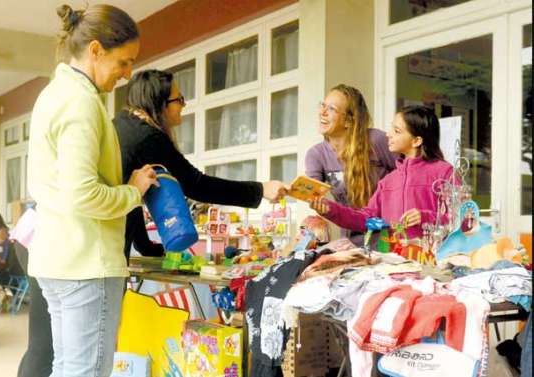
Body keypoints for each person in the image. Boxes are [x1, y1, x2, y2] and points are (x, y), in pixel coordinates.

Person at [26, 4, 157, 377]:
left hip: (56, 259)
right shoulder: (81, 103)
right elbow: (83, 193)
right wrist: (133, 190)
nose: (128, 73)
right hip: (86, 263)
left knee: (68, 368)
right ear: (96, 50)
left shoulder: (52, 94)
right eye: (124, 62)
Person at [113, 69, 289, 259]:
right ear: (160, 104)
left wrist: (145, 246)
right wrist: (261, 190)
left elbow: (131, 193)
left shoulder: (123, 125)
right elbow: (197, 185)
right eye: (178, 99)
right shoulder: (148, 137)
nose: (183, 105)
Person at [309, 105, 454, 240]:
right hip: (394, 262)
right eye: (391, 128)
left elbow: (463, 219)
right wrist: (330, 209)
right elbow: (366, 220)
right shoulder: (388, 181)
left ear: (416, 141)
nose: (388, 134)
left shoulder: (444, 173)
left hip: (433, 263)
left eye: (396, 131)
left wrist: (426, 218)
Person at [305, 85, 397, 243]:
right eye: (323, 105)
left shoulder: (376, 140)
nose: (323, 112)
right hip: (351, 241)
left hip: (388, 238)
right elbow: (312, 194)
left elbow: (409, 174)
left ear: (348, 120)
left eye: (332, 109)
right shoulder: (316, 155)